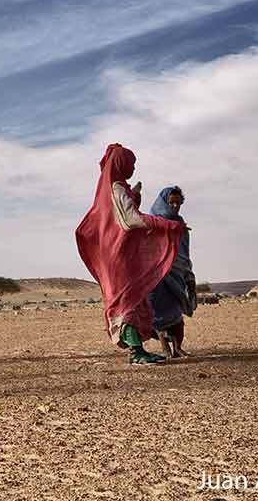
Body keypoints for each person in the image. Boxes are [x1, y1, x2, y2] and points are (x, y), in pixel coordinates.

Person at [75, 144, 187, 365]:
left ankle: (139, 349)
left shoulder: (114, 189)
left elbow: (120, 217)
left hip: (119, 254)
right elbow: (130, 220)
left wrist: (133, 197)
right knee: (127, 302)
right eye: (131, 164)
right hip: (119, 258)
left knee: (132, 300)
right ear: (120, 163)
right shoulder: (115, 188)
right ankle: (137, 353)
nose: (133, 168)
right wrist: (165, 225)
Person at [147, 186, 196, 358]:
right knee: (159, 311)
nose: (175, 206)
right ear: (164, 203)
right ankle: (164, 348)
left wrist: (189, 274)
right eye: (171, 202)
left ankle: (177, 347)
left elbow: (185, 252)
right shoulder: (152, 224)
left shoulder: (181, 226)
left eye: (178, 202)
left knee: (176, 312)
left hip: (177, 274)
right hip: (157, 275)